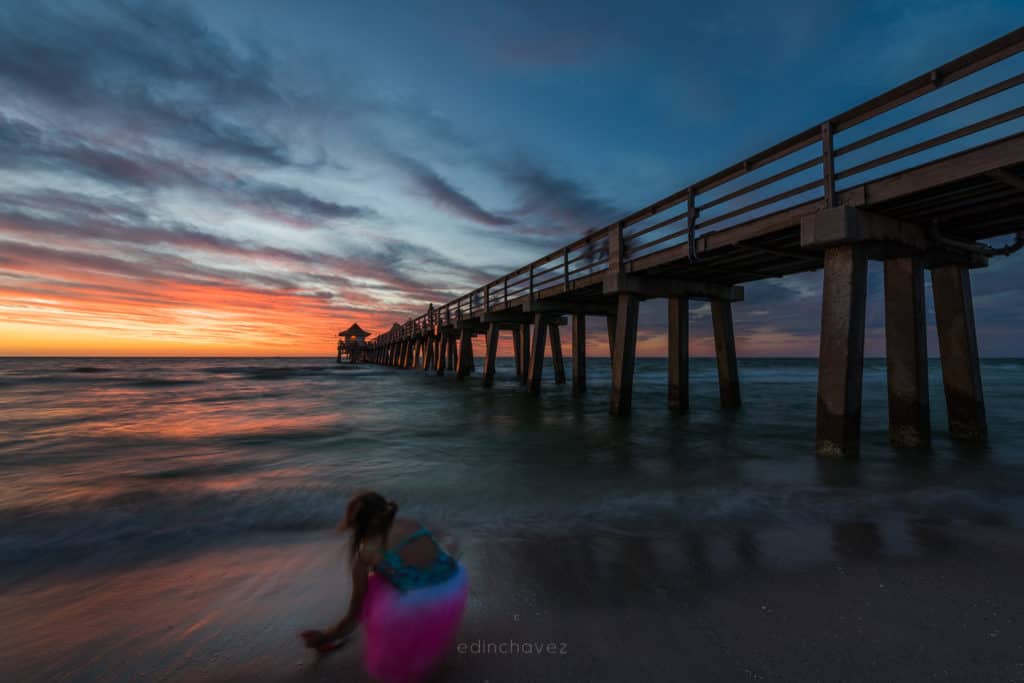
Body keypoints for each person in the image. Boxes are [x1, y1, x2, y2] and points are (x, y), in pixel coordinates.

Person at [301, 492, 468, 683]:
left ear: (355, 523)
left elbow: (354, 614)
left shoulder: (365, 553)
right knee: (389, 575)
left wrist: (324, 637)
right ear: (386, 510)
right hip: (454, 583)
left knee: (372, 588)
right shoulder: (410, 523)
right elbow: (438, 546)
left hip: (424, 602)